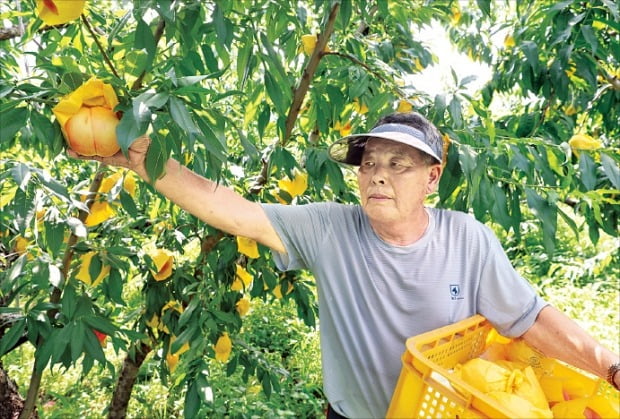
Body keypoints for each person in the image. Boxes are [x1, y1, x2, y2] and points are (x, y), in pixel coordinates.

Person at [69, 111, 620, 418]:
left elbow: (530, 318)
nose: (377, 174)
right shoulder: (331, 228)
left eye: (399, 164)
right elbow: (231, 210)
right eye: (370, 163)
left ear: (432, 179)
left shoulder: (468, 239)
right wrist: (148, 163)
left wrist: (611, 368)